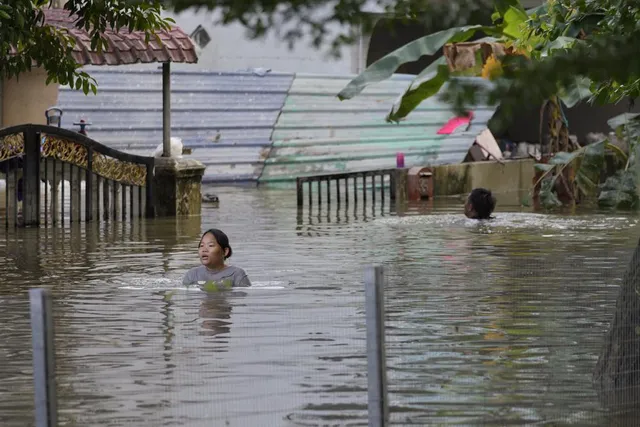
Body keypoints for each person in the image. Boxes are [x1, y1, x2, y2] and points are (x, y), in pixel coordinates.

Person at [183, 228, 251, 289]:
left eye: (210, 245)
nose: (204, 249)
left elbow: (242, 299)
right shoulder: (192, 274)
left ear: (225, 251)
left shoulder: (236, 274)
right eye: (201, 245)